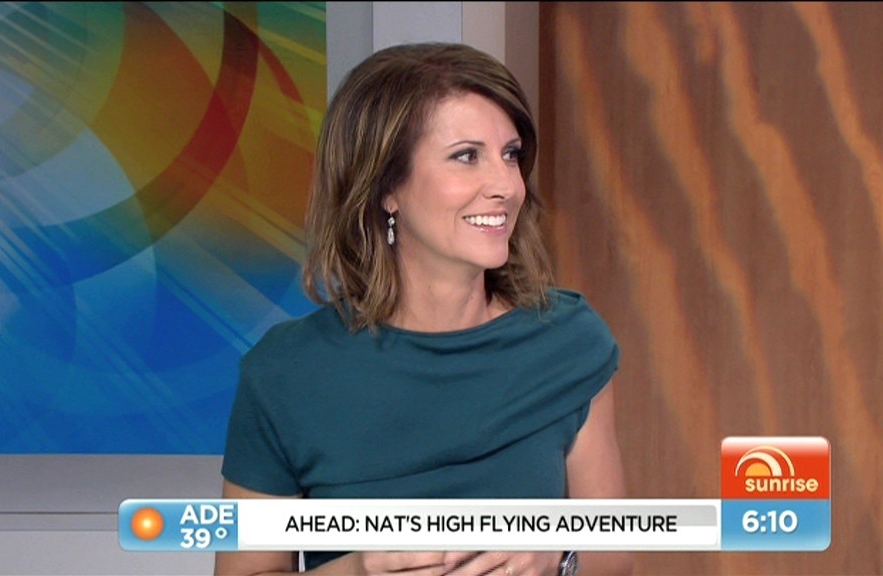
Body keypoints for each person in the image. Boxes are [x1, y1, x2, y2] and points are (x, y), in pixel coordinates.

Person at [215, 42, 632, 576]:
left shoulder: (570, 342)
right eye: (467, 156)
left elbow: (617, 556)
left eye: (510, 155)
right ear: (387, 187)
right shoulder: (284, 374)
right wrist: (360, 569)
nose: (506, 186)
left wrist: (557, 554)